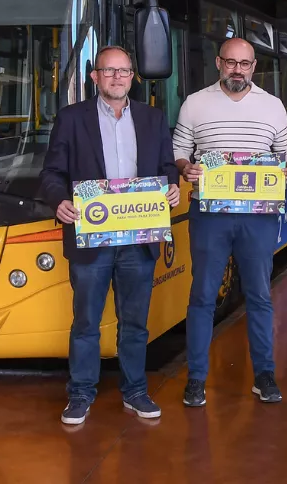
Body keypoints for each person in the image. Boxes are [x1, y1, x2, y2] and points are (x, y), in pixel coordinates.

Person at [39, 45, 181, 426]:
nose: (117, 78)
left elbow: (167, 167)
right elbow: (51, 173)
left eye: (123, 71)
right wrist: (59, 201)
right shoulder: (72, 119)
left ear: (132, 76)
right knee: (86, 323)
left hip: (139, 240)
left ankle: (135, 391)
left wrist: (172, 186)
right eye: (109, 71)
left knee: (134, 323)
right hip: (91, 240)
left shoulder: (153, 118)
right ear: (95, 76)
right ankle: (81, 394)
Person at [173, 37, 287, 407]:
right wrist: (186, 167)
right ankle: (196, 378)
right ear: (218, 63)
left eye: (245, 64)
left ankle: (264, 375)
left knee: (259, 295)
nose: (237, 70)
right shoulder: (195, 103)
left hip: (258, 216)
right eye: (231, 62)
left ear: (254, 67)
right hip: (209, 214)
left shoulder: (272, 105)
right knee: (202, 296)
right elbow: (179, 149)